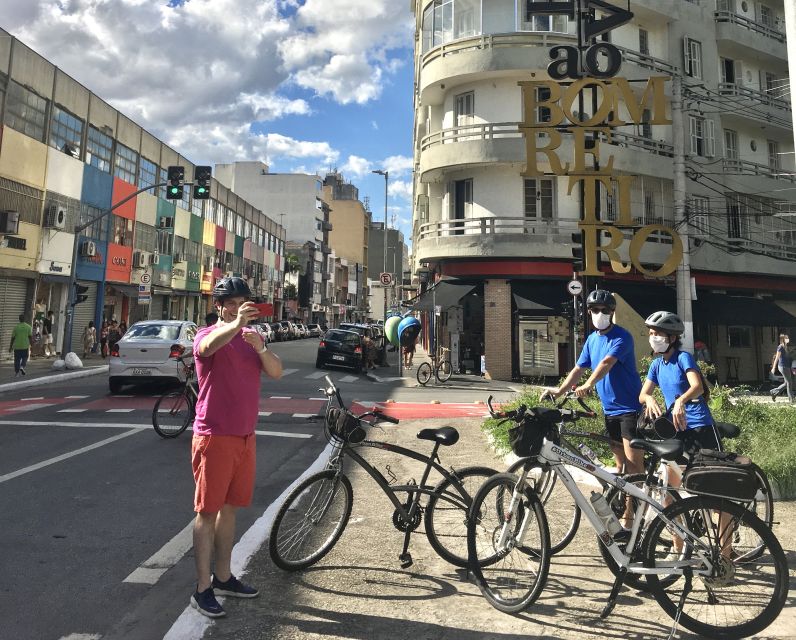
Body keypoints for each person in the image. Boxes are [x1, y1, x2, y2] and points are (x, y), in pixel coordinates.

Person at [189, 276, 282, 618]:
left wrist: (259, 346)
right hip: (214, 436)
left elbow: (276, 372)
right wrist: (237, 323)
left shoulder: (251, 339)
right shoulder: (208, 334)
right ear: (218, 307)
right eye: (230, 303)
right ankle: (202, 589)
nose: (237, 307)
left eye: (243, 302)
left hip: (245, 437)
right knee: (206, 512)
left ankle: (224, 576)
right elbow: (206, 348)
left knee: (229, 509)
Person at [639, 311, 732, 559]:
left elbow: (697, 386)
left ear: (671, 337)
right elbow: (643, 394)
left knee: (716, 493)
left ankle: (725, 554)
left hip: (701, 428)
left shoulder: (683, 358)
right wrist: (648, 398)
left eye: (657, 334)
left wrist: (680, 400)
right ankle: (679, 547)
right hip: (678, 433)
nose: (653, 338)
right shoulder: (657, 365)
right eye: (651, 334)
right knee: (668, 490)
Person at [543, 289, 644, 483]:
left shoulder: (622, 337)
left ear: (612, 311)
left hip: (629, 410)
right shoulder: (592, 339)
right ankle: (622, 505)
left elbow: (606, 363)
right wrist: (559, 391)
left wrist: (588, 385)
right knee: (619, 464)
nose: (599, 314)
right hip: (610, 410)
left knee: (633, 466)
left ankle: (632, 513)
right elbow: (579, 368)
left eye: (604, 310)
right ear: (589, 312)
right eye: (594, 310)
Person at [770, 334, 794, 403]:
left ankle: (774, 392)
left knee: (787, 383)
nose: (787, 339)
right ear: (782, 339)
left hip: (786, 367)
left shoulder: (785, 347)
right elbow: (777, 358)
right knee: (789, 383)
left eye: (788, 338)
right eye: (786, 338)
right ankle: (792, 400)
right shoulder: (780, 347)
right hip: (782, 367)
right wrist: (773, 368)